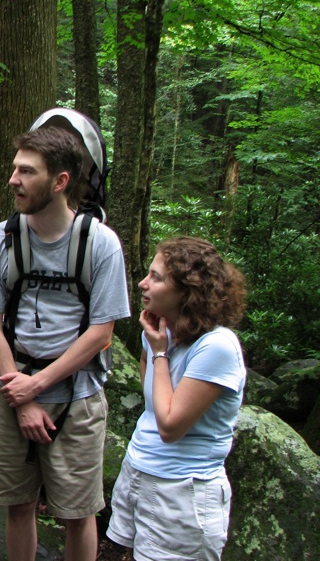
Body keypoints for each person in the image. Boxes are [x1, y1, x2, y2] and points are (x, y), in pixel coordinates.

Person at [0, 124, 130, 561]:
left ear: (60, 181)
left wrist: (35, 389)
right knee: (17, 505)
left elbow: (102, 333)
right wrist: (20, 396)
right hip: (10, 386)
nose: (12, 180)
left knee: (79, 513)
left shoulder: (101, 244)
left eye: (26, 171)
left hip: (76, 396)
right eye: (14, 168)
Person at [106, 236, 247, 560]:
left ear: (187, 290)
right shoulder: (160, 331)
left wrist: (159, 353)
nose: (142, 283)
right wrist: (154, 347)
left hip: (182, 491)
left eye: (155, 277)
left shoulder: (217, 347)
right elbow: (153, 402)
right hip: (140, 470)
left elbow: (169, 426)